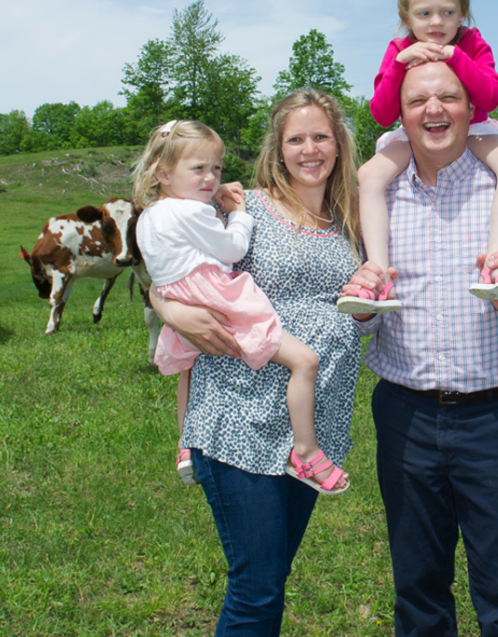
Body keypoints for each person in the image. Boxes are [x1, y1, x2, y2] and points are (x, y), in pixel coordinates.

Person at [341, 60, 498, 636]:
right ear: (399, 118)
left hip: (493, 418)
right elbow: (360, 305)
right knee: (417, 588)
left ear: (471, 108)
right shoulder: (378, 198)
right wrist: (358, 313)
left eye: (448, 97)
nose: (433, 110)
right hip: (404, 414)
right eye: (418, 101)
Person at [149, 90, 363, 636]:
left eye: (321, 136)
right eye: (296, 138)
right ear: (278, 147)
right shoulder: (246, 207)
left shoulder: (353, 220)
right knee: (257, 587)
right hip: (238, 419)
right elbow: (175, 267)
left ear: (339, 143)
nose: (310, 148)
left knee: (272, 577)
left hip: (308, 433)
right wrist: (166, 306)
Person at [132, 119, 348, 494]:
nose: (210, 178)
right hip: (216, 298)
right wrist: (239, 215)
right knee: (304, 360)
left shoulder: (150, 214)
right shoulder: (191, 211)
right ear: (164, 174)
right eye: (198, 169)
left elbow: (160, 274)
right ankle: (307, 451)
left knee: (189, 366)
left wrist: (167, 304)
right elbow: (233, 249)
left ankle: (186, 445)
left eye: (216, 168)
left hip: (182, 294)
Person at [337, 0, 498, 315]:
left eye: (447, 12)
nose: (436, 23)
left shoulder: (472, 43)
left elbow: (490, 98)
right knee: (369, 176)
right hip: (416, 133)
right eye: (424, 13)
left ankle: (496, 262)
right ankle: (378, 273)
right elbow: (381, 113)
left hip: (476, 128)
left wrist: (456, 58)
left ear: (463, 15)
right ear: (406, 17)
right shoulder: (399, 47)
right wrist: (399, 63)